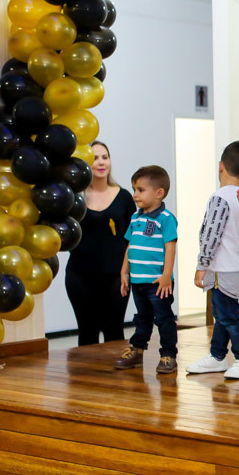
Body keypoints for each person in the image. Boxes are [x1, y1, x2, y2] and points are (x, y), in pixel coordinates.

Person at [187, 141, 239, 380]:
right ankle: (217, 356)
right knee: (223, 313)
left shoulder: (220, 198)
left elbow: (211, 234)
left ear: (220, 166)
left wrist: (202, 265)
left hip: (220, 269)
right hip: (234, 268)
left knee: (228, 316)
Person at [64, 141, 134, 345]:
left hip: (117, 276)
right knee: (87, 333)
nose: (101, 162)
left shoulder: (124, 197)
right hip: (80, 275)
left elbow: (133, 237)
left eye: (105, 157)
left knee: (114, 331)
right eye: (95, 158)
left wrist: (128, 270)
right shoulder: (74, 198)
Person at [114, 166, 179, 374]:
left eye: (141, 190)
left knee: (164, 319)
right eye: (134, 189)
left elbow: (170, 247)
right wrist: (124, 271)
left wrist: (166, 276)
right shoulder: (136, 218)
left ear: (159, 193)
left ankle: (168, 355)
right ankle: (137, 350)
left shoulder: (166, 218)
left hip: (158, 282)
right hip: (138, 281)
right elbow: (130, 245)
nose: (135, 195)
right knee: (142, 317)